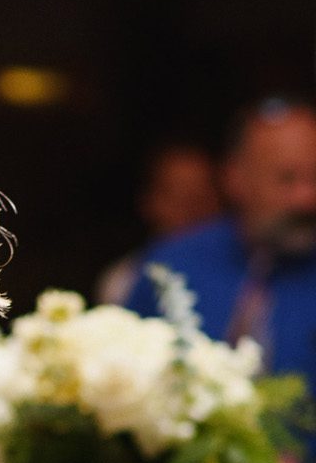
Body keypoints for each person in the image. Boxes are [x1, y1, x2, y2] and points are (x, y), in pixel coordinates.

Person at [125, 98, 316, 411]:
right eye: (287, 179)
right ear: (235, 178)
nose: (307, 198)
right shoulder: (174, 264)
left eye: (315, 178)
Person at [95, 137, 221, 305]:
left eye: (201, 196)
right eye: (177, 196)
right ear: (148, 202)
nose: (191, 209)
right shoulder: (123, 281)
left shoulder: (251, 278)